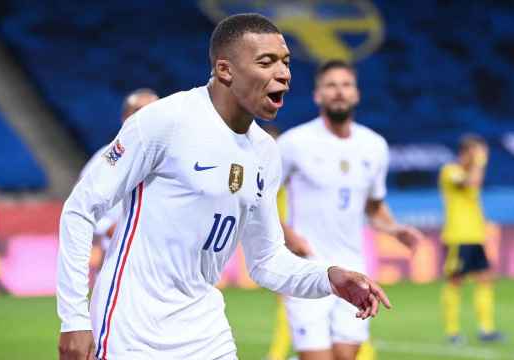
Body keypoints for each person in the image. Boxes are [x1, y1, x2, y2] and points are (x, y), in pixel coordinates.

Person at [57, 14, 391, 360]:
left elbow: (267, 260)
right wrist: (74, 319)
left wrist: (329, 277)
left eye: (286, 62)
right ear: (225, 70)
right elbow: (81, 208)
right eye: (267, 62)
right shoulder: (165, 121)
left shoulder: (265, 153)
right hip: (134, 330)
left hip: (206, 330)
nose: (284, 74)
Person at [276, 60, 425, 360]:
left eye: (345, 85)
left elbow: (374, 207)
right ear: (318, 95)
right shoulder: (294, 143)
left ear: (356, 94)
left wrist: (395, 229)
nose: (339, 92)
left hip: (354, 268)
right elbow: (258, 198)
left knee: (346, 356)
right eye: (331, 85)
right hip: (307, 268)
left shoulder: (374, 146)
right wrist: (287, 234)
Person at [439, 134, 503, 344]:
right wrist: (479, 162)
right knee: (455, 281)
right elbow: (471, 182)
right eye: (475, 153)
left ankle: (487, 329)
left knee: (485, 279)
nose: (479, 158)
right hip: (458, 237)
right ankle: (452, 332)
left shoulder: (467, 171)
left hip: (475, 236)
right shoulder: (450, 171)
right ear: (465, 153)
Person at [79, 89, 159, 252]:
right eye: (139, 111)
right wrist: (107, 227)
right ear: (125, 118)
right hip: (118, 255)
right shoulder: (110, 157)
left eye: (154, 111)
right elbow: (82, 204)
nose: (147, 117)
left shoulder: (175, 158)